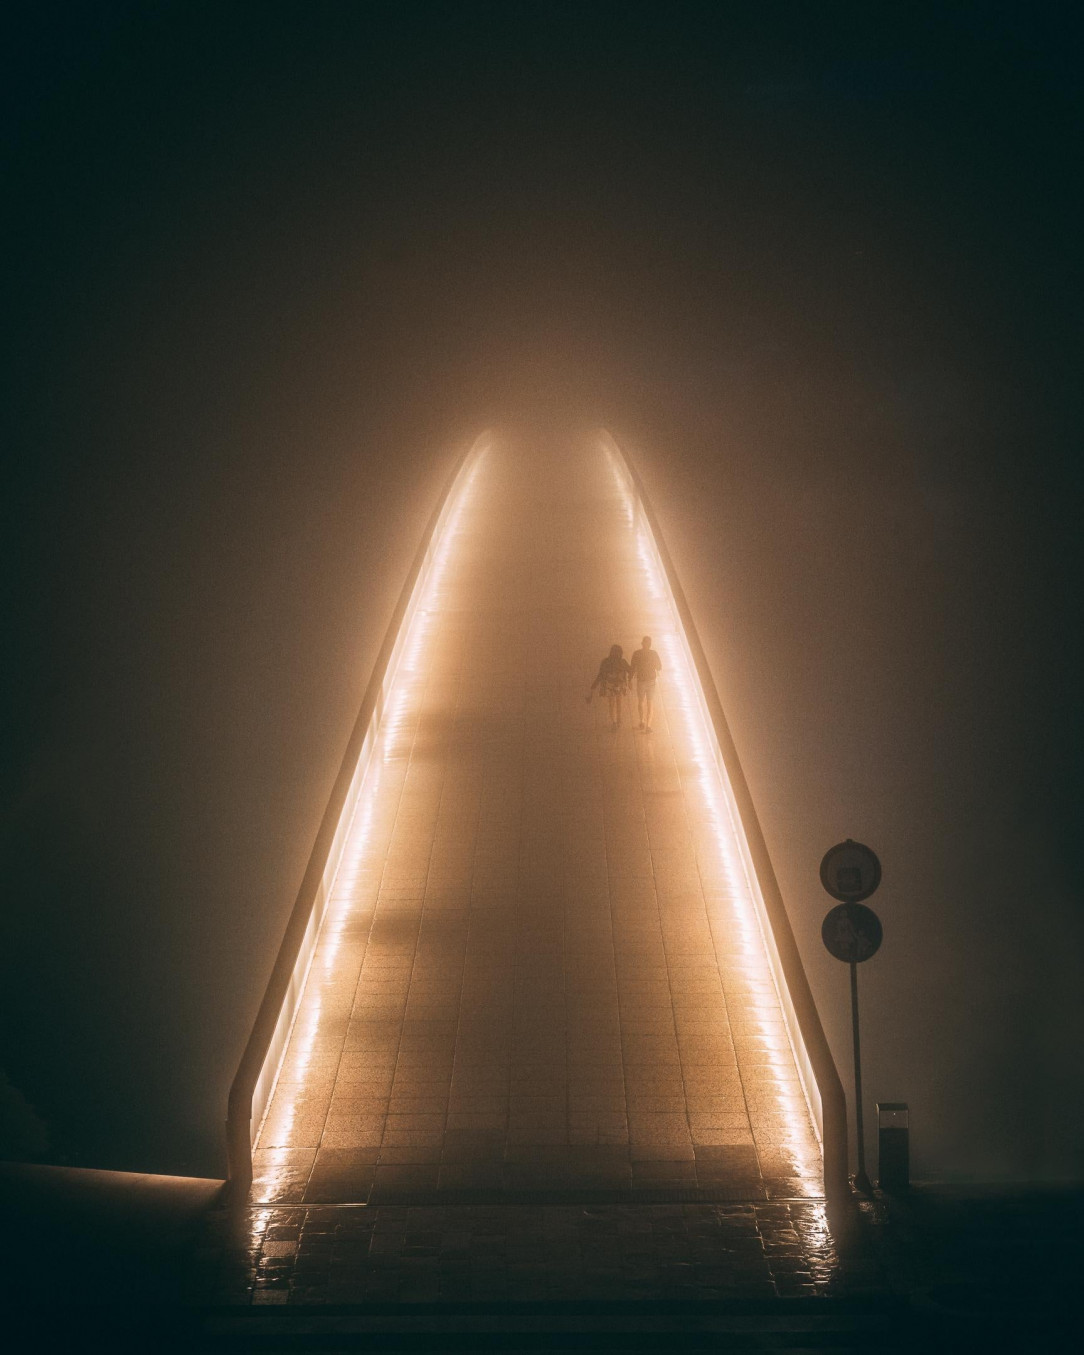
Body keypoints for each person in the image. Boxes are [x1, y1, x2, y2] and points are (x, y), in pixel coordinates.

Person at [587, 644, 632, 730]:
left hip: (610, 686)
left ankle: (614, 722)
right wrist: (629, 680)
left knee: (612, 704)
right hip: (620, 685)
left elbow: (601, 675)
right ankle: (618, 719)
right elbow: (630, 670)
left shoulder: (606, 662)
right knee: (619, 703)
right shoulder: (622, 662)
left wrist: (593, 686)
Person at [629, 635, 662, 731]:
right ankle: (648, 725)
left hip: (641, 681)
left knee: (641, 702)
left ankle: (642, 721)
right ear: (650, 644)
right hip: (651, 680)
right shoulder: (654, 654)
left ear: (642, 643)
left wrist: (629, 680)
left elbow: (632, 668)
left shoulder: (637, 653)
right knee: (650, 703)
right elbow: (659, 667)